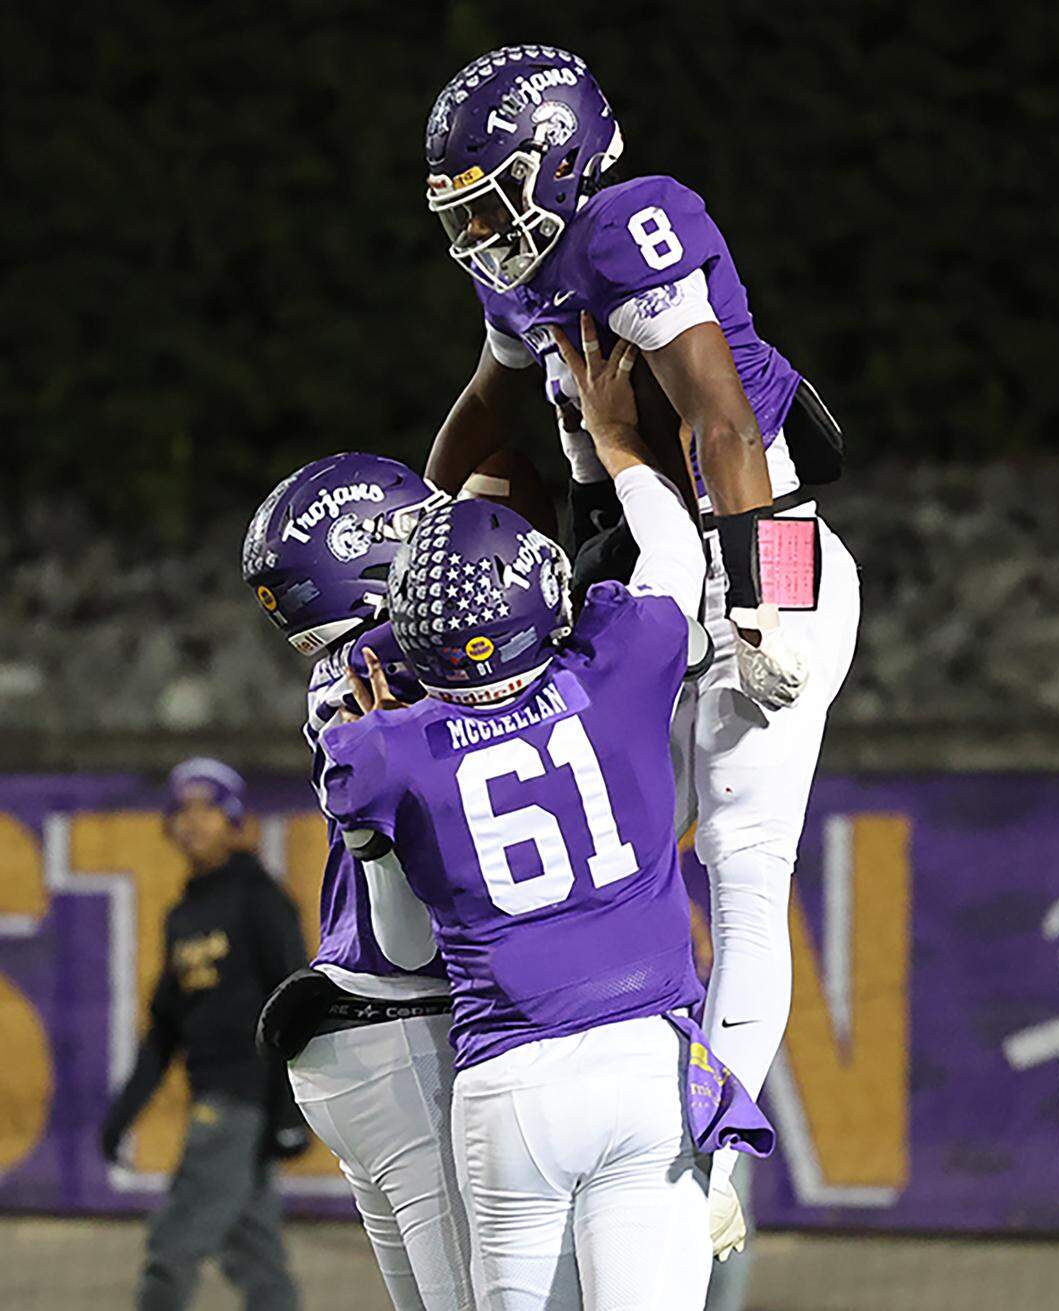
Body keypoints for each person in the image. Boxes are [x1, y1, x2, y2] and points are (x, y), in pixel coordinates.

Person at [419, 44, 861, 1253]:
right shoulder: (520, 281)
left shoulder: (629, 223)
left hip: (762, 553)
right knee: (598, 845)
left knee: (744, 863)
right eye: (462, 211)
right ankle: (604, 1100)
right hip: (648, 570)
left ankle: (719, 1153)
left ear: (560, 160)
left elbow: (720, 418)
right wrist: (424, 538)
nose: (481, 231)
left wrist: (762, 605)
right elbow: (487, 421)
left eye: (492, 196)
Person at [318, 321, 774, 1311]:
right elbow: (672, 556)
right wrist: (612, 439)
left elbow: (399, 936)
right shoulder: (616, 668)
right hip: (649, 1058)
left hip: (510, 1082)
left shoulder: (380, 748)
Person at [243, 453, 476, 1311]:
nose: (442, 545)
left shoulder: (349, 666)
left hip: (352, 1038)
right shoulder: (400, 651)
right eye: (416, 528)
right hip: (403, 1022)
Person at [100, 758, 306, 1311]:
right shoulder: (183, 915)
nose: (192, 822)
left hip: (239, 1102)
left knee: (173, 1245)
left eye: (207, 808)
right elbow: (165, 1028)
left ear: (235, 820)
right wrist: (124, 1113)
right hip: (217, 1099)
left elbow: (296, 1000)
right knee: (257, 1258)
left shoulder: (261, 899)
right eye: (181, 810)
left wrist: (291, 1110)